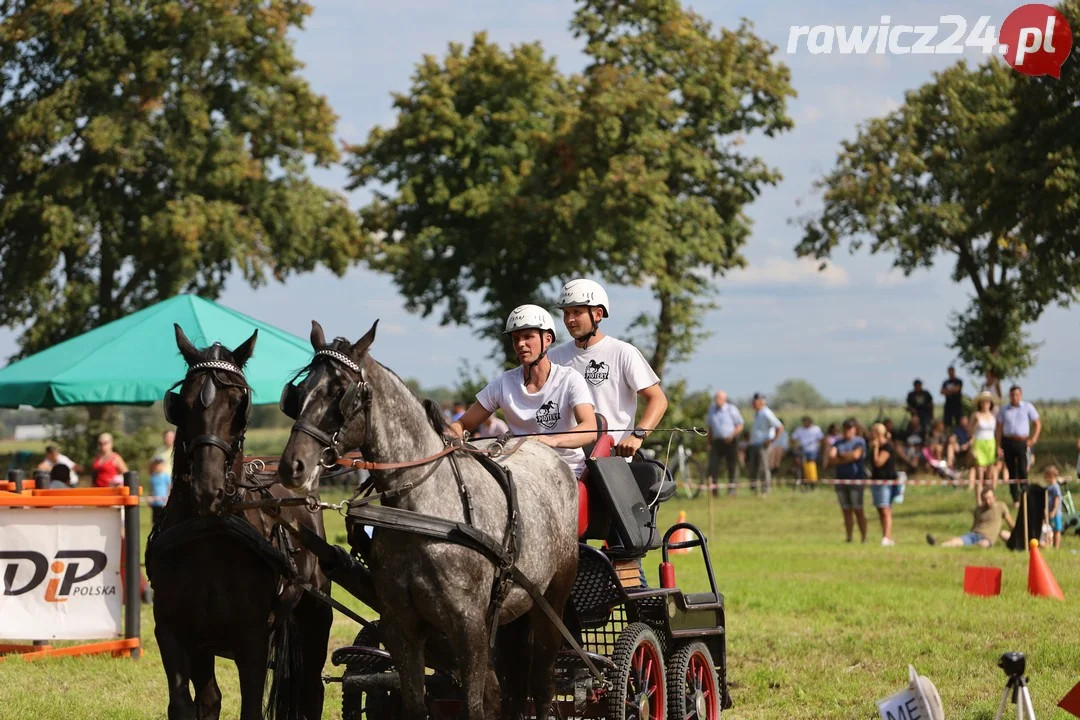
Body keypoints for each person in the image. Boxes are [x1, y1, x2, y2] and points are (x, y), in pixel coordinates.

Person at [450, 305, 597, 478]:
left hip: (567, 471)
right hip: (520, 472)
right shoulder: (503, 383)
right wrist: (453, 434)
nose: (521, 344)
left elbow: (590, 429)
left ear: (548, 339)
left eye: (528, 337)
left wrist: (551, 441)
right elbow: (461, 424)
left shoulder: (570, 379)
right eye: (515, 338)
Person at [548, 279, 667, 458]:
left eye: (577, 312)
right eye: (566, 313)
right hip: (566, 461)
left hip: (612, 463)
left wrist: (637, 436)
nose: (569, 319)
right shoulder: (554, 357)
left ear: (598, 314)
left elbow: (658, 400)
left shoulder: (623, 352)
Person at [996, 385, 1041, 505]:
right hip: (1008, 441)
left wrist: (1033, 439)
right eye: (1012, 395)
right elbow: (999, 428)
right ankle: (1015, 499)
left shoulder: (1027, 407)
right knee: (1011, 471)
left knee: (1023, 469)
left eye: (1017, 395)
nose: (1015, 397)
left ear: (1020, 395)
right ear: (1010, 396)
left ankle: (1026, 495)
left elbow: (1037, 423)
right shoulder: (1004, 409)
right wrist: (998, 445)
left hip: (1022, 442)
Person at [926, 487, 1014, 548]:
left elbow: (1010, 523)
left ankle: (969, 546)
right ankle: (938, 545)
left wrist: (1019, 536)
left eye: (990, 498)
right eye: (985, 499)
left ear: (995, 497)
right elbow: (974, 525)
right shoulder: (978, 510)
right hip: (973, 535)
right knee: (957, 542)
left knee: (982, 545)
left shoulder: (1001, 507)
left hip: (987, 538)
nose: (988, 501)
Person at [830, 418, 868, 543]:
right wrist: (848, 456)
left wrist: (841, 456)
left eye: (850, 428)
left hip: (856, 480)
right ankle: (849, 537)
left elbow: (856, 456)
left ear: (855, 429)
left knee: (858, 509)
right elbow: (831, 457)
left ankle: (864, 537)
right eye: (846, 428)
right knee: (846, 510)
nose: (848, 431)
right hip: (841, 480)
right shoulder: (838, 442)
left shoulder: (860, 441)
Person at [705, 391, 744, 496]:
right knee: (713, 466)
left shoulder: (732, 409)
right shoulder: (711, 410)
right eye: (716, 398)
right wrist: (709, 442)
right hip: (716, 442)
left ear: (724, 399)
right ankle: (714, 491)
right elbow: (710, 428)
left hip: (731, 442)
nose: (717, 401)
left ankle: (732, 490)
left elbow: (740, 425)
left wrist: (731, 435)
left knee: (732, 466)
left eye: (719, 398)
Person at [868, 423, 900, 546]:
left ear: (878, 433)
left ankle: (887, 537)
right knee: (880, 509)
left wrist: (875, 449)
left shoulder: (887, 447)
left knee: (886, 509)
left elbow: (878, 462)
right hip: (876, 481)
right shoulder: (876, 446)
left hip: (886, 482)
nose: (870, 434)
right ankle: (886, 536)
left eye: (872, 432)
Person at [746, 393, 783, 495]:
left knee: (764, 468)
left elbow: (779, 427)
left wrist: (771, 440)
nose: (753, 404)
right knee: (753, 467)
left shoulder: (766, 413)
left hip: (763, 445)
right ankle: (754, 490)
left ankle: (765, 489)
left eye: (755, 402)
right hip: (755, 444)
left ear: (761, 402)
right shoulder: (757, 413)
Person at [968, 391, 998, 494]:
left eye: (988, 402)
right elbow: (970, 432)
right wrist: (973, 447)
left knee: (989, 474)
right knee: (979, 475)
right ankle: (979, 501)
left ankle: (989, 496)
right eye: (983, 402)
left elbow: (997, 431)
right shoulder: (976, 415)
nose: (985, 404)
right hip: (979, 443)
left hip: (991, 444)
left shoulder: (993, 415)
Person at [790, 416, 824, 487]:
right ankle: (803, 479)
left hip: (813, 450)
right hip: (802, 450)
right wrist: (795, 448)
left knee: (810, 462)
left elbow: (821, 440)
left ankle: (812, 480)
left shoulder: (816, 429)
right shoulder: (799, 430)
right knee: (800, 462)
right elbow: (793, 439)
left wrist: (821, 449)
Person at [148, 456, 172, 526]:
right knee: (155, 520)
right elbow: (151, 489)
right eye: (156, 465)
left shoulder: (166, 476)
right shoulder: (152, 477)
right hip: (155, 503)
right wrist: (150, 499)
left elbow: (169, 487)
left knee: (164, 519)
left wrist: (168, 499)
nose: (158, 467)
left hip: (163, 503)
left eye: (160, 465)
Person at [1045, 466, 1063, 549]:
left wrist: (1054, 511)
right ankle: (1053, 544)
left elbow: (1057, 499)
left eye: (1047, 476)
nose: (1045, 478)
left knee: (1057, 530)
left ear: (1051, 475)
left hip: (1056, 513)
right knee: (1053, 529)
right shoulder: (1050, 487)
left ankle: (1057, 546)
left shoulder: (1055, 487)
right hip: (1050, 511)